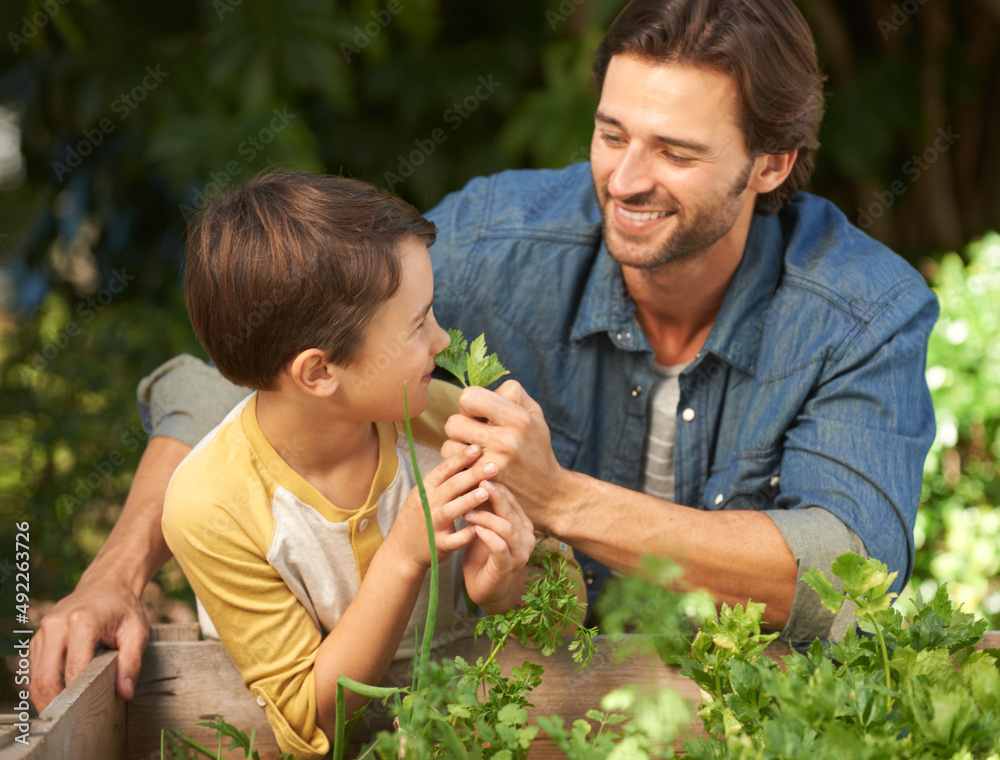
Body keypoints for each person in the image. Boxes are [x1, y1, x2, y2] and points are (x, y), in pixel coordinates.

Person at [30, 0, 937, 714]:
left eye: (676, 152)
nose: (623, 180)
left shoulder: (863, 310)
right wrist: (117, 572)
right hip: (523, 701)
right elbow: (256, 376)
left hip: (733, 712)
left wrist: (560, 499)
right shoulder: (502, 239)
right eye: (613, 133)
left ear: (772, 164)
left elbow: (843, 574)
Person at [164, 171, 541, 756]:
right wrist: (403, 555)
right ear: (319, 373)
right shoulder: (211, 505)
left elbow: (563, 605)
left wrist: (505, 585)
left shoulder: (452, 424)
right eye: (418, 325)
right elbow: (306, 719)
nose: (443, 341)